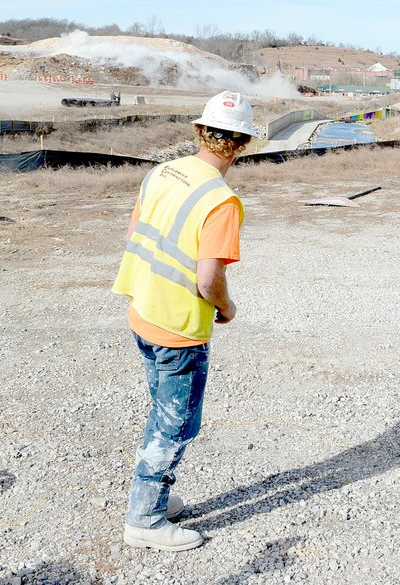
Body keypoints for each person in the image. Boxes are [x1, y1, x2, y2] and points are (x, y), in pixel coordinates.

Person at [112, 90, 255, 551]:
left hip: (143, 310)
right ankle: (146, 519)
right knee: (174, 425)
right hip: (178, 328)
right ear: (243, 143)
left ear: (199, 131)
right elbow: (209, 278)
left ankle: (153, 494)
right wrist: (227, 308)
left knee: (164, 415)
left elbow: (135, 234)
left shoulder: (161, 173)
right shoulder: (221, 201)